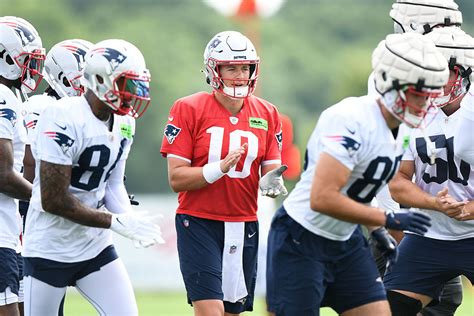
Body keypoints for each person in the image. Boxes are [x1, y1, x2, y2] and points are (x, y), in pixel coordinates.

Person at [266, 32, 448, 316]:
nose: (423, 105)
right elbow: (323, 197)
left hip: (345, 239)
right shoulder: (351, 118)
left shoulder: (405, 128)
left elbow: (360, 189)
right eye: (417, 95)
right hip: (302, 237)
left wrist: (377, 232)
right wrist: (386, 219)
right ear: (391, 84)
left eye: (428, 97)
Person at [22, 39, 164, 316]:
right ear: (100, 79)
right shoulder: (61, 115)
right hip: (49, 248)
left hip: (93, 246)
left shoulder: (125, 121)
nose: (133, 93)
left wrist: (130, 220)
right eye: (126, 84)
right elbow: (53, 200)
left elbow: (112, 183)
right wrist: (116, 221)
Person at [160, 30, 286, 316]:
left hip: (244, 223)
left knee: (231, 312)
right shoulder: (188, 108)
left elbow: (269, 170)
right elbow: (176, 178)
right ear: (213, 69)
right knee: (210, 311)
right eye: (231, 67)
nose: (240, 75)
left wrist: (272, 181)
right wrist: (219, 168)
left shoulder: (268, 113)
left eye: (245, 67)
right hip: (199, 221)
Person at [367, 2, 466, 315]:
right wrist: (434, 206)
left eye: (445, 71)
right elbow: (397, 180)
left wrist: (467, 208)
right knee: (385, 304)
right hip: (422, 228)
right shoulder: (413, 101)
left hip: (465, 228)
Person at [0, 16, 45, 316]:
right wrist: (48, 199)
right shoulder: (3, 95)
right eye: (26, 60)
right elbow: (2, 174)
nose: (33, 68)